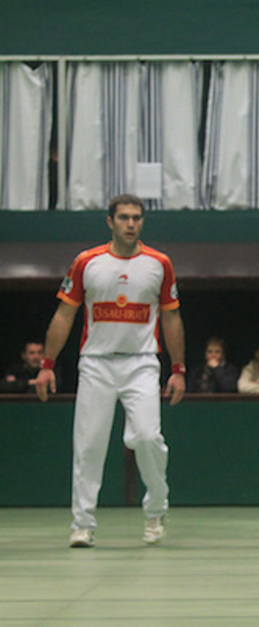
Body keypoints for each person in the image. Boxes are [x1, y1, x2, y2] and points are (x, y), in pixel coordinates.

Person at [34, 193, 186, 548]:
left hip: (142, 364)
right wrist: (46, 365)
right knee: (88, 446)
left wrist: (177, 369)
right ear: (110, 222)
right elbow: (64, 315)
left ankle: (156, 510)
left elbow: (172, 316)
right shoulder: (87, 262)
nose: (131, 224)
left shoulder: (159, 263)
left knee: (148, 437)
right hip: (96, 364)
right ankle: (82, 524)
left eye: (137, 218)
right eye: (124, 218)